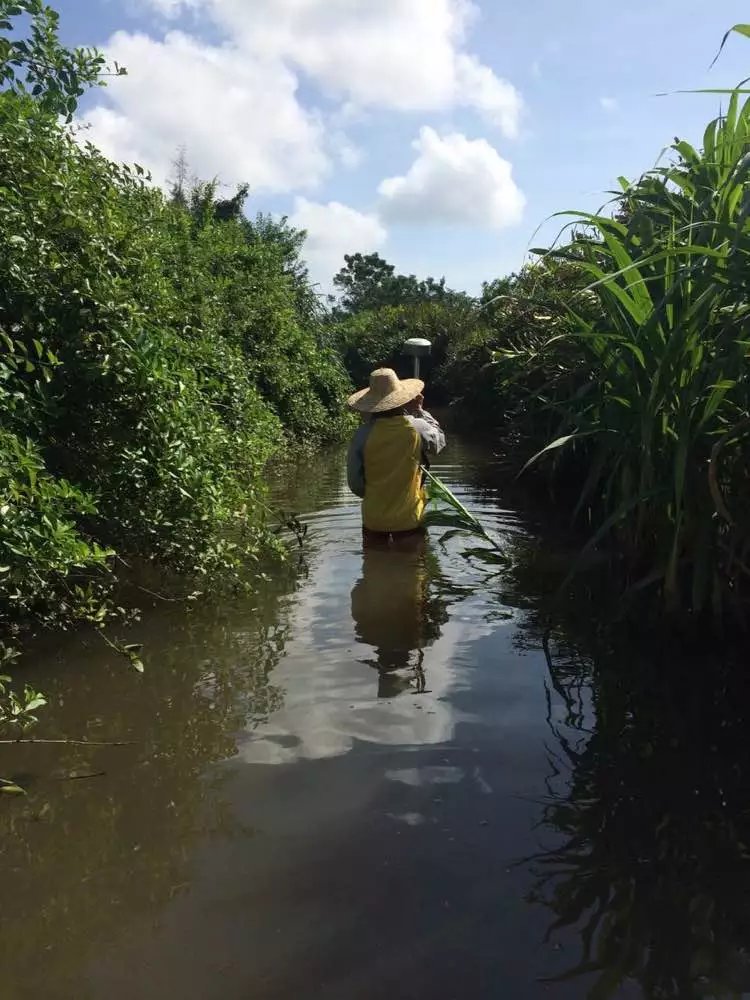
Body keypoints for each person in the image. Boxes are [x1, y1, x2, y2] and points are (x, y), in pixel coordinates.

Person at [346, 367, 446, 547]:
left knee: (373, 570)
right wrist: (420, 411)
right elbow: (438, 443)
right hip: (409, 518)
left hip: (373, 519)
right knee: (413, 569)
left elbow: (355, 482)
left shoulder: (362, 434)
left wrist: (376, 495)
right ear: (402, 401)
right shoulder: (417, 427)